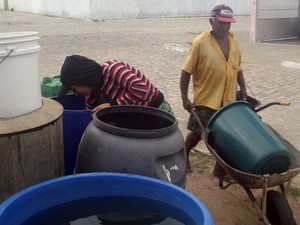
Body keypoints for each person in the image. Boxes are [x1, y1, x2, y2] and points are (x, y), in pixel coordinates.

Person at [180, 4, 247, 175]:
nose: (225, 26)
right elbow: (186, 72)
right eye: (221, 22)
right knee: (197, 133)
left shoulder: (234, 43)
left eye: (228, 23)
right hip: (206, 99)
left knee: (226, 135)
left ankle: (220, 167)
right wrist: (184, 98)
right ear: (211, 21)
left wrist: (243, 89)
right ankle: (184, 153)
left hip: (228, 101)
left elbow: (237, 68)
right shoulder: (199, 43)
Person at [57, 55, 173, 115]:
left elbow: (142, 88)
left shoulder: (112, 69)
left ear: (84, 80)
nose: (76, 94)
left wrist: (113, 104)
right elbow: (90, 113)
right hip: (137, 113)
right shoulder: (92, 94)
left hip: (155, 109)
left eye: (74, 89)